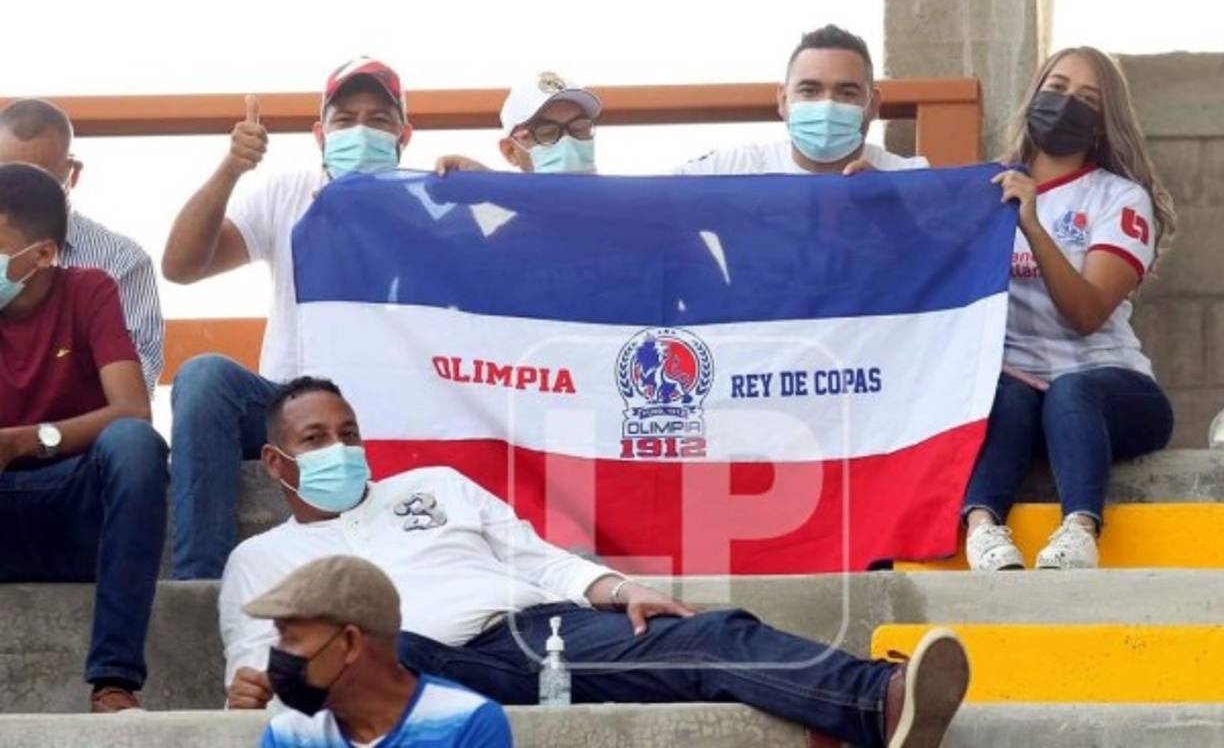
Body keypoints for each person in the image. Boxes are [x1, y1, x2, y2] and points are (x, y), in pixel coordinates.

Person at [221, 376, 970, 748]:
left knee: (709, 634)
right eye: (316, 439)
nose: (340, 449)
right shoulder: (260, 558)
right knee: (373, 651)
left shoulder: (436, 485)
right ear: (276, 462)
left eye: (349, 433)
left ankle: (880, 700)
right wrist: (253, 691)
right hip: (415, 672)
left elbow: (541, 559)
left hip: (537, 637)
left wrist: (616, 588)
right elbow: (263, 666)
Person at [160, 57, 415, 580]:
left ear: (404, 136)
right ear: (320, 135)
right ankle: (200, 585)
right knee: (205, 377)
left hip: (390, 411)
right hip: (286, 410)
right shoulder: (288, 194)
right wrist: (231, 169)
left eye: (378, 119)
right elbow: (181, 266)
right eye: (345, 120)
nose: (361, 131)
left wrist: (480, 189)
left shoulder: (431, 203)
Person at [962, 46, 1176, 571]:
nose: (1066, 104)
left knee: (1070, 391)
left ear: (1103, 123)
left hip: (1109, 389)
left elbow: (1086, 313)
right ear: (1034, 95)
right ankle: (982, 528)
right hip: (1018, 391)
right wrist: (870, 191)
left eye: (1087, 99)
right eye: (1056, 88)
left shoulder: (1119, 199)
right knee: (1005, 395)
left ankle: (1080, 529)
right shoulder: (983, 190)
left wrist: (1033, 226)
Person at [0, 162, 168, 712]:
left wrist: (22, 441)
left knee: (135, 445)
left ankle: (114, 682)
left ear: (44, 254)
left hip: (74, 510)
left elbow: (131, 409)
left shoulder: (90, 289)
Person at [243, 555, 512, 747]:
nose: (279, 653)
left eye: (290, 639)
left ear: (350, 642)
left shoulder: (467, 720)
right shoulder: (288, 734)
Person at [0, 99, 164, 393]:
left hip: (90, 415)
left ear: (73, 174)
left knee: (128, 424)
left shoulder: (122, 260)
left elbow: (139, 382)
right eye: (5, 179)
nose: (20, 196)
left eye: (41, 182)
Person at [675, 25, 928, 176]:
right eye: (810, 90)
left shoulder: (909, 178)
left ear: (873, 104)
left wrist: (893, 207)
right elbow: (659, 205)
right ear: (783, 100)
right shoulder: (734, 169)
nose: (827, 104)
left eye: (847, 92)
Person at [435, 71, 600, 176]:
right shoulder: (506, 222)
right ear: (510, 152)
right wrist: (487, 184)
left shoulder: (614, 208)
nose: (568, 141)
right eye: (546, 133)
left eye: (580, 128)